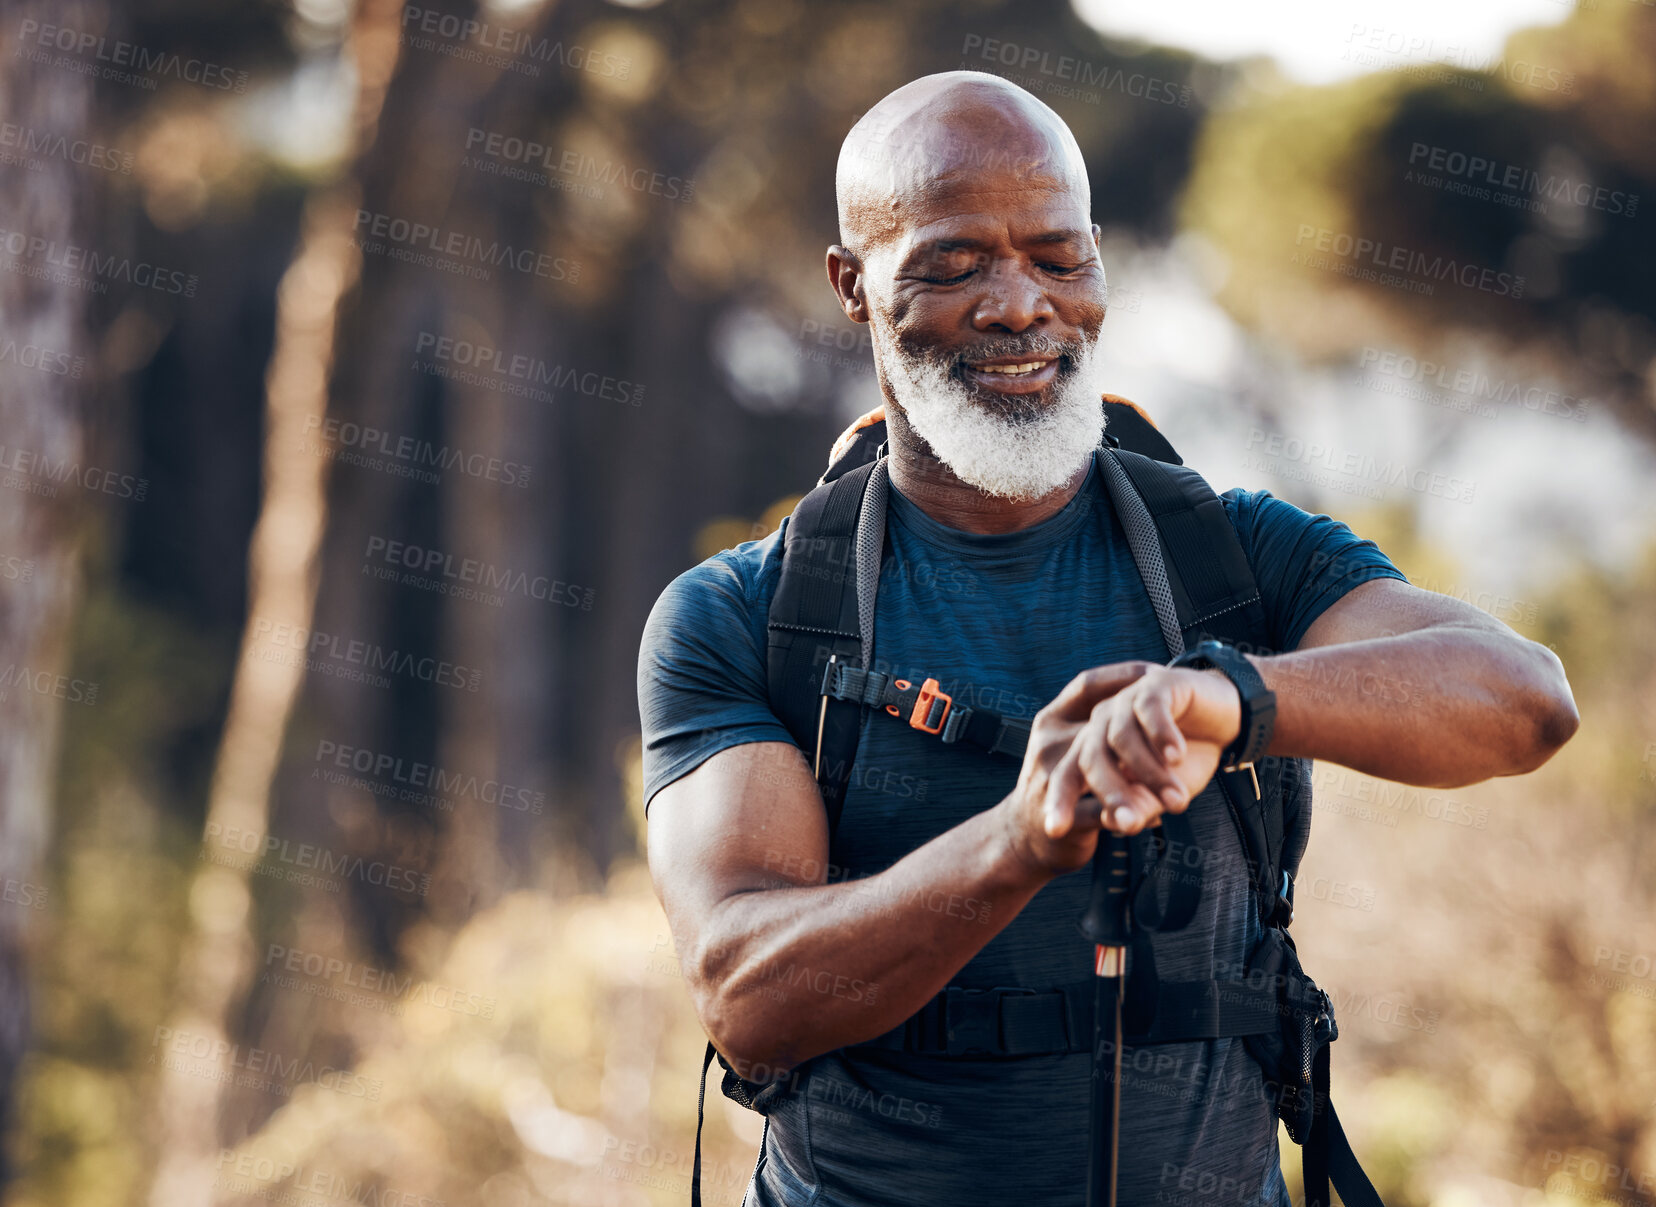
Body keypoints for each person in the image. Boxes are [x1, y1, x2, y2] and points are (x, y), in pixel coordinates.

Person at [636, 71, 1578, 1207]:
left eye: (1058, 255)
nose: (1020, 304)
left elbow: (1526, 701)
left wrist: (1226, 702)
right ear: (852, 284)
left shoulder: (1234, 560)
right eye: (953, 263)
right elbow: (746, 999)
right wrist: (1020, 841)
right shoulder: (744, 613)